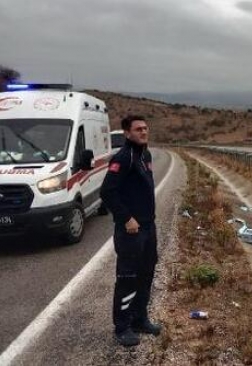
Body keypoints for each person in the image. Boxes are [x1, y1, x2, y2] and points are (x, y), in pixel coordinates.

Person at [101, 115, 161, 347]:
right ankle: (122, 326)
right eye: (138, 129)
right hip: (131, 232)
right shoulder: (123, 158)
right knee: (128, 278)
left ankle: (139, 319)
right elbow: (107, 192)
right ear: (127, 133)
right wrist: (126, 218)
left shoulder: (144, 155)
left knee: (146, 274)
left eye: (145, 128)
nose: (143, 132)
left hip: (148, 227)